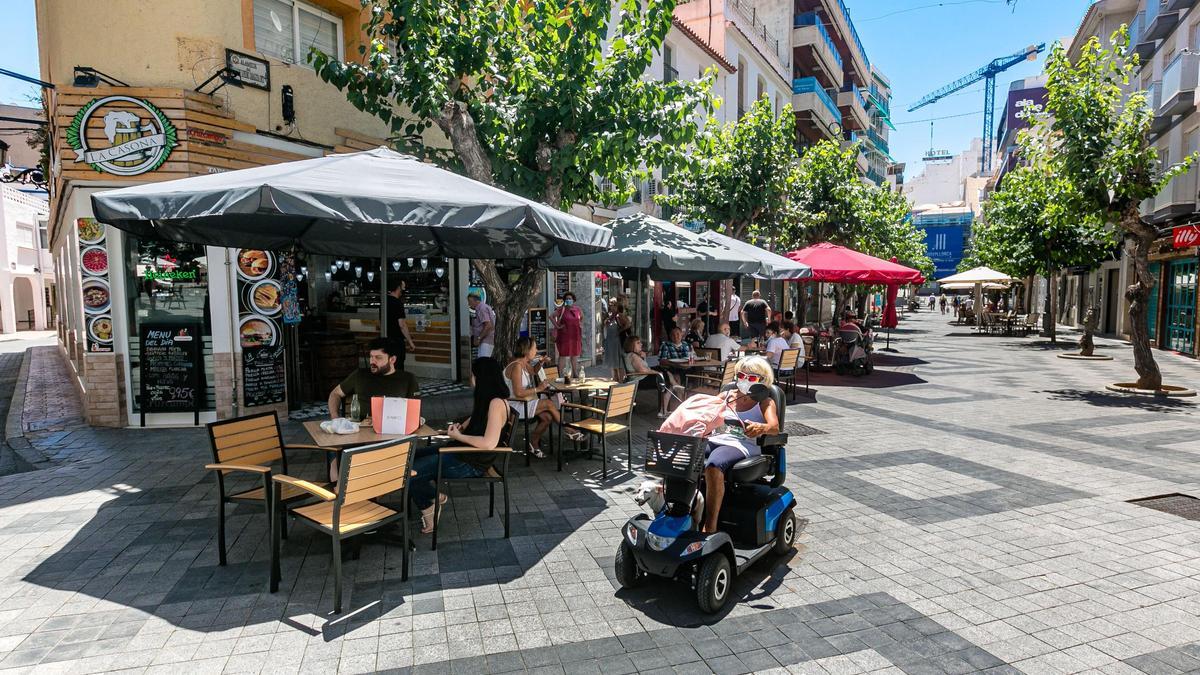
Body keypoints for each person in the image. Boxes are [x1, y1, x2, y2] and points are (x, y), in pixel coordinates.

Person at [409, 357, 509, 534]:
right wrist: (460, 427)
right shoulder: (487, 399)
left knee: (408, 472)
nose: (471, 379)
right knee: (409, 457)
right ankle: (433, 496)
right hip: (461, 453)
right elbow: (475, 419)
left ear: (481, 378)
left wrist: (458, 436)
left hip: (470, 463)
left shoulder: (496, 404)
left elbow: (488, 443)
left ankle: (429, 504)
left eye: (473, 375)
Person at [701, 356, 780, 533]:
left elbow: (775, 427)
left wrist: (762, 427)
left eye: (751, 378)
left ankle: (710, 526)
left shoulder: (765, 401)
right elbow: (706, 411)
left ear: (762, 380)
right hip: (716, 439)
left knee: (714, 464)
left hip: (741, 445)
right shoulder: (727, 395)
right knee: (686, 452)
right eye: (741, 375)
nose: (744, 380)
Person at [504, 338, 582, 457]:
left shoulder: (523, 363)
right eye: (534, 348)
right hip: (515, 405)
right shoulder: (517, 366)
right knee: (548, 404)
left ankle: (533, 443)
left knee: (548, 417)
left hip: (525, 402)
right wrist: (539, 389)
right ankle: (568, 429)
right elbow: (518, 392)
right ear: (527, 350)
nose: (536, 350)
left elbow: (534, 372)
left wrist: (540, 363)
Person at [328, 338, 418, 421]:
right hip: (361, 430)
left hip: (393, 430)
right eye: (371, 356)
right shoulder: (359, 375)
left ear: (392, 359)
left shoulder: (408, 379)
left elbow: (414, 412)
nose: (372, 361)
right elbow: (335, 393)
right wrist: (335, 417)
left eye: (378, 357)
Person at [623, 335, 672, 417]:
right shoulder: (633, 356)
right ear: (632, 345)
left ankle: (673, 385)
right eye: (638, 343)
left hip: (640, 378)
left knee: (664, 372)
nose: (641, 344)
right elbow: (643, 370)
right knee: (665, 379)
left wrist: (643, 358)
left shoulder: (633, 355)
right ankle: (663, 411)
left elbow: (644, 367)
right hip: (640, 380)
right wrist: (656, 372)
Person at [385, 279, 417, 368]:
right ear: (398, 287)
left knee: (388, 366)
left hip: (386, 339)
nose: (404, 290)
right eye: (403, 287)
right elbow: (402, 325)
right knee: (398, 366)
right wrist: (410, 342)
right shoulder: (397, 303)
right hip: (396, 340)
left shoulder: (384, 302)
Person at [552, 292, 583, 378]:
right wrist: (557, 326)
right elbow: (551, 316)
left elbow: (582, 317)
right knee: (563, 354)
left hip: (575, 335)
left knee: (574, 354)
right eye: (567, 299)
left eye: (570, 298)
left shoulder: (577, 309)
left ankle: (575, 373)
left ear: (573, 300)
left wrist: (580, 324)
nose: (568, 300)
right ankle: (560, 374)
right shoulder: (561, 309)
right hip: (564, 335)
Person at [602, 299, 631, 380]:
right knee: (613, 362)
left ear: (618, 307)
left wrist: (620, 331)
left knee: (619, 362)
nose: (611, 307)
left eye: (614, 305)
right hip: (610, 341)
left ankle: (621, 380)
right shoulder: (610, 316)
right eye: (611, 305)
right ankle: (615, 379)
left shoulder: (619, 316)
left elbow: (628, 324)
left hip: (617, 342)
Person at [467, 293, 496, 358]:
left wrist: (479, 338)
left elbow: (488, 325)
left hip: (486, 341)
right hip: (484, 341)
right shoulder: (481, 308)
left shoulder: (481, 308)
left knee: (483, 362)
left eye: (470, 302)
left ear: (476, 301)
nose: (469, 304)